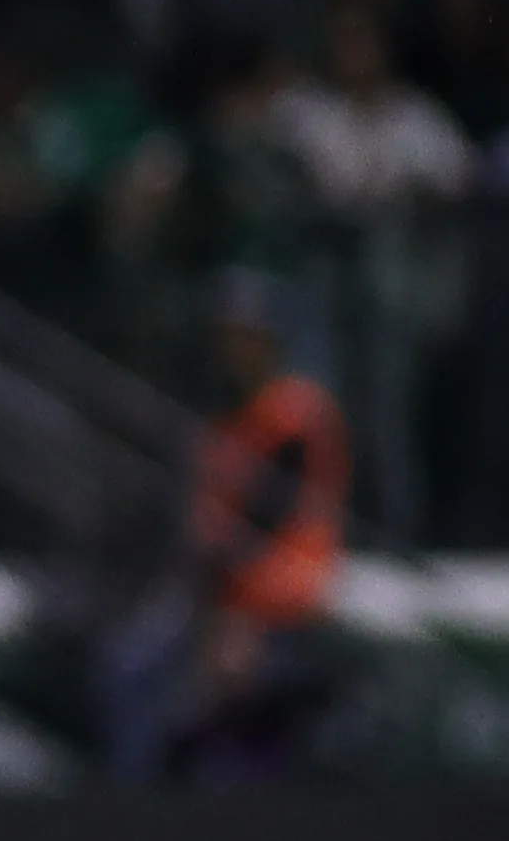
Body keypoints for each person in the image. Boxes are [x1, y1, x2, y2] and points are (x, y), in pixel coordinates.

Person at [107, 275, 350, 778]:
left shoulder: (295, 412)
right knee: (129, 674)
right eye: (227, 336)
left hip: (277, 609)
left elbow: (265, 519)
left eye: (244, 335)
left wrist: (231, 620)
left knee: (223, 733)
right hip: (220, 600)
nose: (232, 348)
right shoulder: (222, 413)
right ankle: (133, 820)